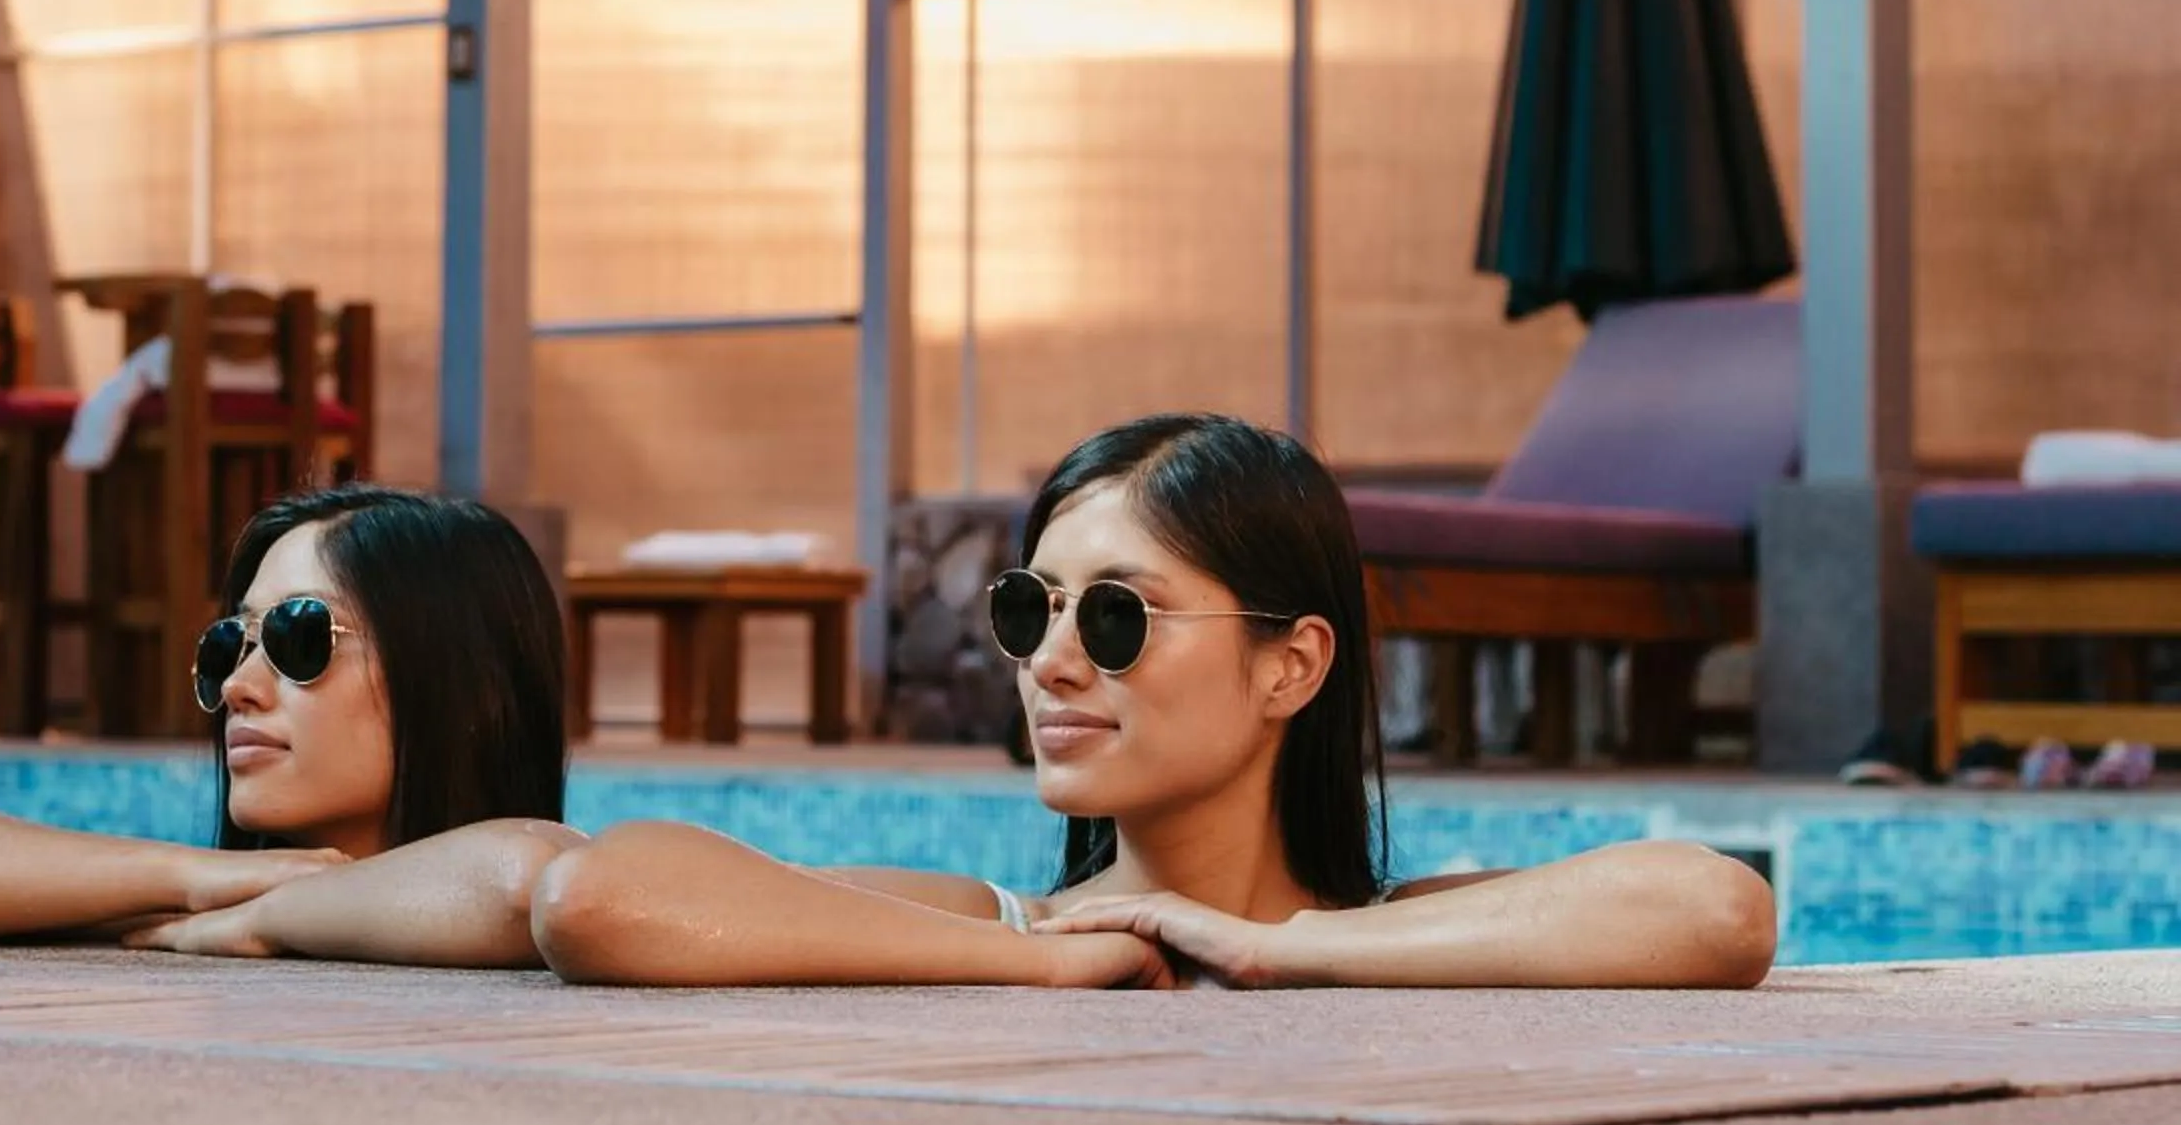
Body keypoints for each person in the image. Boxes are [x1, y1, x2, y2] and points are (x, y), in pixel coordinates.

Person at [531, 414, 1779, 990]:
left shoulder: (1395, 930)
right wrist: (1025, 964)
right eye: (1033, 608)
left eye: (1118, 614)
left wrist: (1275, 946)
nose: (1053, 663)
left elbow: (1713, 906)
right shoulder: (1005, 925)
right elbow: (604, 894)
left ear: (1289, 664)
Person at [0, 485, 577, 967]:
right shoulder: (197, 911)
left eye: (301, 639)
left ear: (470, 687)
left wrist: (275, 914)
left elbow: (523, 883)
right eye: (231, 643)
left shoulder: (556, 905)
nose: (238, 685)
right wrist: (194, 878)